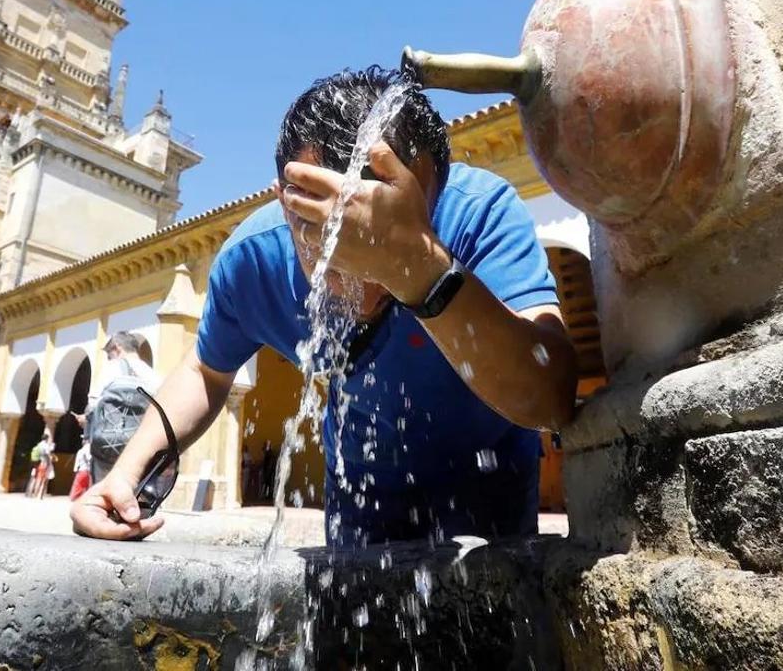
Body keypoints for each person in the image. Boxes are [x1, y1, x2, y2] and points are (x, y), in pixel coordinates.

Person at [72, 66, 577, 545]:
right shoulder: (253, 261)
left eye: (386, 237)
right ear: (288, 199)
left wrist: (423, 270)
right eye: (334, 240)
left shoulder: (480, 213)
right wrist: (124, 476)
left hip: (493, 482)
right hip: (361, 496)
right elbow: (207, 371)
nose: (363, 273)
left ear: (432, 192)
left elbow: (551, 395)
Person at [73, 331, 161, 430]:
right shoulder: (154, 375)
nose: (109, 359)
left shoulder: (113, 367)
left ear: (117, 347)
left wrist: (86, 419)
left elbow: (94, 403)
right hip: (141, 436)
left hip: (111, 436)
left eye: (109, 356)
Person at [32, 430, 56, 500]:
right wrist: (49, 462)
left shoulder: (38, 445)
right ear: (47, 439)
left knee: (38, 478)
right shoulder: (46, 445)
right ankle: (40, 495)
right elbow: (48, 454)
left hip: (37, 463)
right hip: (44, 463)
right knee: (43, 479)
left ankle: (35, 493)